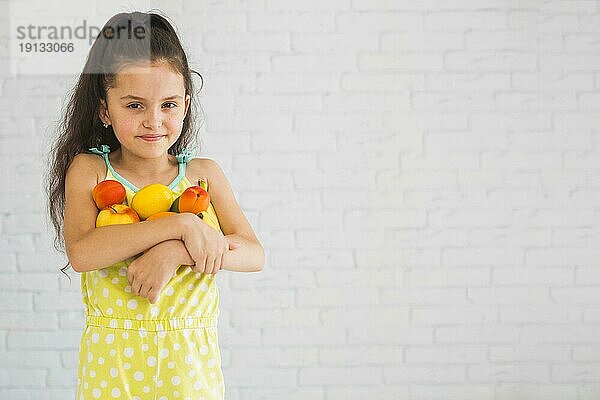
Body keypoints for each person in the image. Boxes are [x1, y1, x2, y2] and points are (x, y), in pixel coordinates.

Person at [44, 11, 265, 400]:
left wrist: (174, 251)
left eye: (168, 105)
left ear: (185, 103)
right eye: (134, 106)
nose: (154, 121)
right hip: (114, 365)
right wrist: (177, 226)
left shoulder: (203, 174)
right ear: (104, 110)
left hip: (190, 365)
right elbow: (82, 253)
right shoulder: (92, 170)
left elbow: (252, 253)